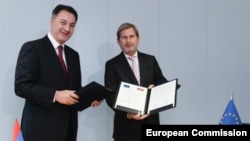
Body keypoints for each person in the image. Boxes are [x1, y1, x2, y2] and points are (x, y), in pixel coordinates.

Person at [14, 4, 101, 141]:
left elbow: (73, 91)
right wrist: (55, 95)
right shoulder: (32, 48)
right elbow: (21, 86)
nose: (67, 29)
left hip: (68, 131)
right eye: (63, 22)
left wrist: (89, 98)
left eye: (72, 25)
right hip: (40, 131)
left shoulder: (73, 55)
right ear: (52, 21)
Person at [104, 22, 180, 141]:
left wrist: (156, 86)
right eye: (124, 37)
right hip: (125, 127)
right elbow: (110, 96)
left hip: (151, 123)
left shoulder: (150, 60)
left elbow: (161, 80)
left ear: (138, 38)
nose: (128, 41)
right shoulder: (112, 65)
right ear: (118, 41)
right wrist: (128, 114)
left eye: (132, 36)